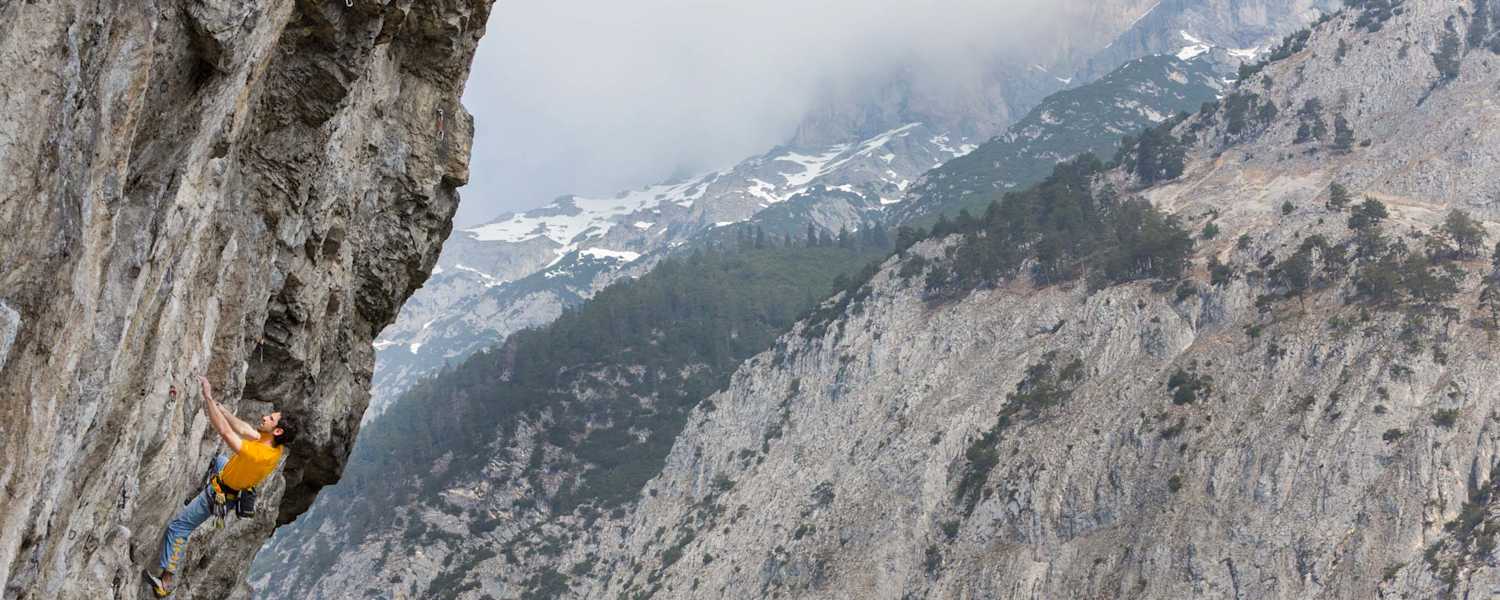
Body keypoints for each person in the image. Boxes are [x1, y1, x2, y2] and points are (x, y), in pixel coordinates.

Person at [144, 376, 297, 598]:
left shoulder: (260, 455)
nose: (265, 417)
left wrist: (207, 399)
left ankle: (165, 582)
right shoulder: (273, 446)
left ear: (278, 431)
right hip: (229, 478)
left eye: (271, 418)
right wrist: (222, 409)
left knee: (178, 528)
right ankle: (209, 482)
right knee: (220, 461)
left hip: (219, 495)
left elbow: (226, 433)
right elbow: (245, 429)